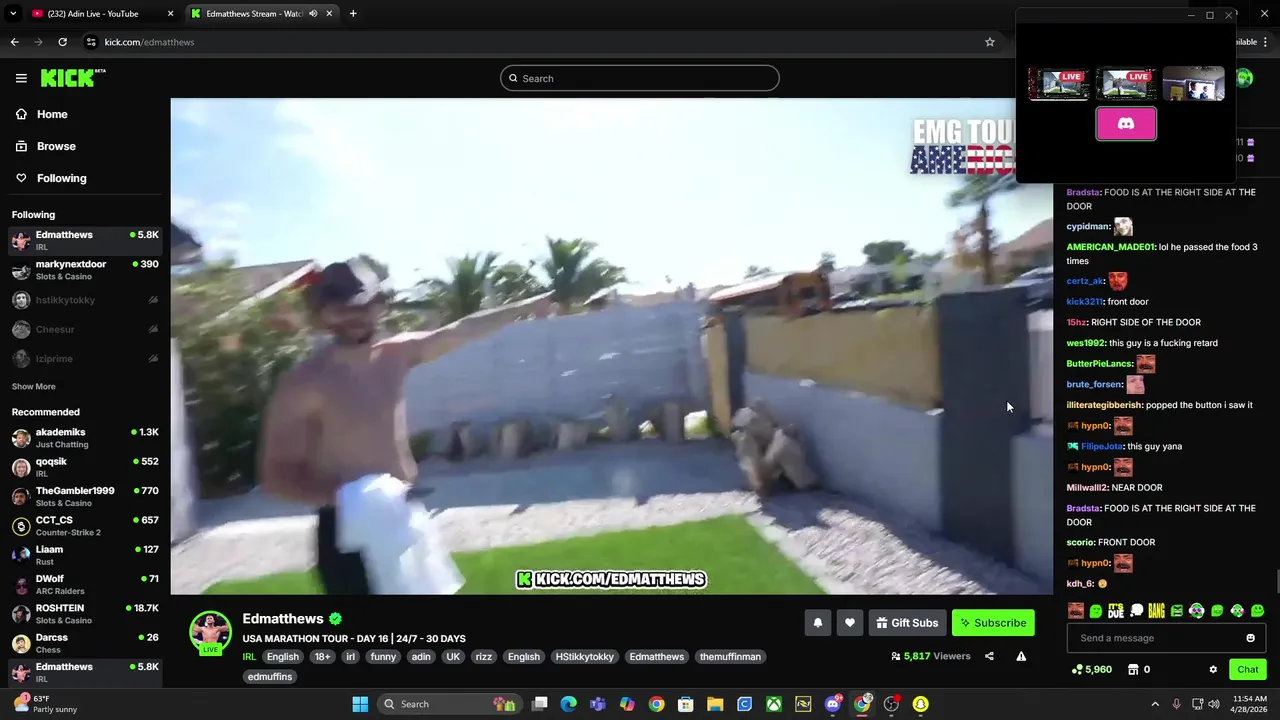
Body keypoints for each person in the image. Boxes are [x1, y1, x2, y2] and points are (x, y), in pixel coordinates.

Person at [258, 259, 552, 595]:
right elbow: (277, 476)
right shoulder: (303, 384)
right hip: (348, 530)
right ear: (322, 315)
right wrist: (354, 501)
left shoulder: (396, 355)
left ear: (379, 306)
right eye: (340, 309)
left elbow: (462, 329)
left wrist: (526, 306)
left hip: (403, 515)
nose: (353, 316)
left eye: (363, 306)